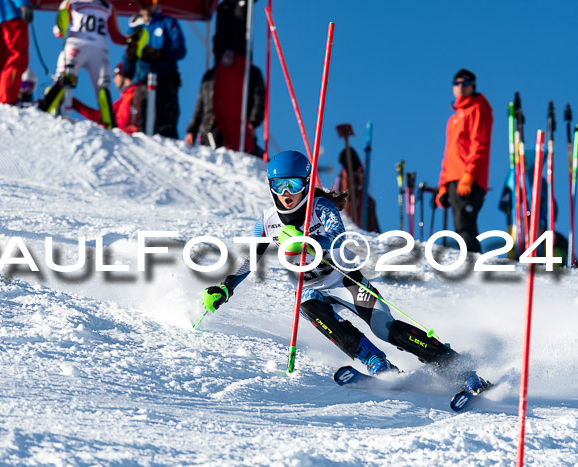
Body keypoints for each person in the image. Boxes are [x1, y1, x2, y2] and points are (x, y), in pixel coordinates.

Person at [200, 150, 489, 393]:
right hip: (312, 288)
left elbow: (338, 238)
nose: (286, 194)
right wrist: (225, 287)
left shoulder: (320, 206)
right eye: (278, 185)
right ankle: (377, 363)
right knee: (309, 307)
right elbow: (250, 260)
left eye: (292, 184)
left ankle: (456, 365)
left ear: (305, 183)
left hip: (346, 280)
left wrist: (309, 243)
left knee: (385, 329)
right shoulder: (266, 222)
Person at [38, 0, 127, 129]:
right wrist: (60, 25)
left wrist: (130, 40)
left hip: (98, 49)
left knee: (103, 86)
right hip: (78, 45)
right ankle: (44, 110)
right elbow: (59, 30)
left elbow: (115, 35)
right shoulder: (72, 2)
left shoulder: (107, 6)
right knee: (65, 77)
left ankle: (109, 125)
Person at [436, 69, 493, 253]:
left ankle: (472, 262)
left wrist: (470, 173)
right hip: (453, 177)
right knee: (459, 224)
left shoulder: (477, 109)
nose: (461, 86)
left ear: (472, 86)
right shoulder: (453, 119)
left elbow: (480, 142)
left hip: (469, 177)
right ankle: (467, 259)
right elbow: (449, 153)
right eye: (457, 83)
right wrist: (443, 185)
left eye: (465, 83)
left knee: (465, 223)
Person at [123, 0, 186, 138]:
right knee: (140, 127)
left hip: (165, 81)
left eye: (149, 2)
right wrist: (129, 61)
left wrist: (159, 53)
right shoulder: (135, 27)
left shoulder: (167, 23)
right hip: (142, 83)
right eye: (141, 3)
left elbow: (180, 50)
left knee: (166, 127)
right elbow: (128, 61)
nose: (145, 6)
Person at [184, 60, 265, 155]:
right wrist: (191, 131)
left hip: (237, 130)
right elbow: (199, 107)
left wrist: (253, 122)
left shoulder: (249, 72)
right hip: (209, 130)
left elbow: (258, 99)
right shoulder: (210, 76)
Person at [0, 0, 33, 105]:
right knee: (17, 59)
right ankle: (6, 100)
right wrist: (23, 5)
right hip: (10, 12)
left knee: (5, 63)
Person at [69, 62, 137, 134]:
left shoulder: (137, 94)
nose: (114, 80)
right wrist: (72, 102)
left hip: (136, 140)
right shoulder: (121, 102)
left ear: (122, 73)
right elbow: (100, 116)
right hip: (123, 140)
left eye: (115, 75)